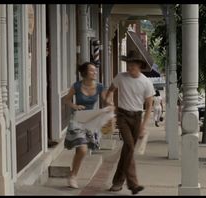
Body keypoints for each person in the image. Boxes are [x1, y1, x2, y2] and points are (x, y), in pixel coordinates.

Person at [105, 50, 155, 195]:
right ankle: (133, 184)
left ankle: (117, 182)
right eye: (128, 65)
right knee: (129, 146)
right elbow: (110, 90)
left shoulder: (146, 83)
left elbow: (149, 106)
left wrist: (143, 126)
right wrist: (108, 101)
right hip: (122, 115)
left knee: (127, 151)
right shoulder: (120, 77)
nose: (129, 68)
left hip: (137, 117)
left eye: (132, 65)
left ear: (139, 66)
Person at [64, 62, 107, 189]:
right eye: (92, 71)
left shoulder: (99, 87)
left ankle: (72, 174)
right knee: (82, 149)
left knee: (82, 149)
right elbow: (67, 100)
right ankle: (73, 176)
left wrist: (111, 106)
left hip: (90, 120)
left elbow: (106, 101)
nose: (95, 73)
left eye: (95, 70)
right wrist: (75, 106)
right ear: (85, 73)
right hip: (77, 119)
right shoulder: (76, 86)